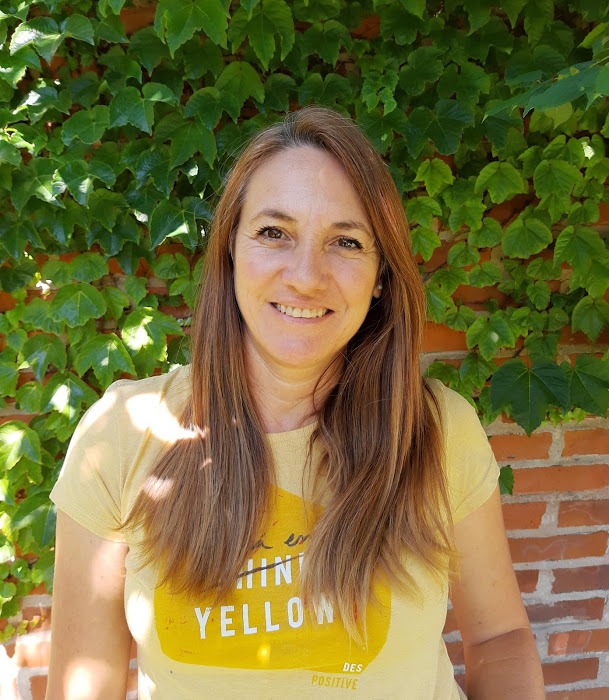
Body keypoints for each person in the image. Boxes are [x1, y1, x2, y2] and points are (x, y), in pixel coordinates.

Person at [47, 106, 544, 699]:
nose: (306, 276)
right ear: (230, 250)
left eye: (346, 242)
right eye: (273, 233)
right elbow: (83, 684)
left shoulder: (435, 430)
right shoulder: (120, 438)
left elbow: (499, 638)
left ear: (381, 276)